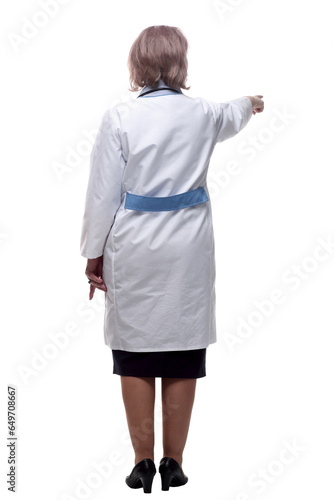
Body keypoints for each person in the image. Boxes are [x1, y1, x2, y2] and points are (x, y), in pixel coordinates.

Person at [80, 24, 264, 494]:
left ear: (136, 63)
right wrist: (253, 101)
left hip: (134, 246)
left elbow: (102, 194)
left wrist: (93, 255)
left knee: (135, 352)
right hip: (188, 248)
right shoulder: (203, 113)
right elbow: (235, 112)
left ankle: (142, 462)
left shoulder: (119, 117)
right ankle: (173, 462)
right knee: (182, 351)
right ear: (181, 63)